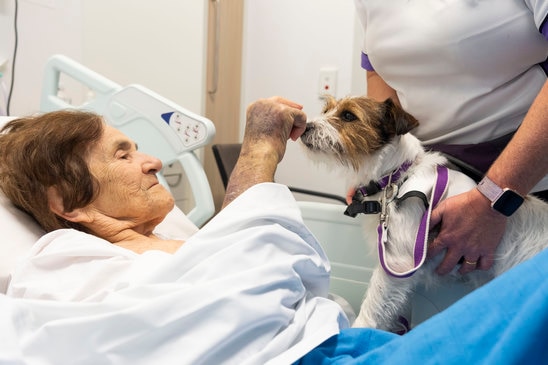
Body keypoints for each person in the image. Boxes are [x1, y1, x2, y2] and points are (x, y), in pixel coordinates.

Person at [0, 97, 546, 363]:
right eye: (123, 153)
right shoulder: (60, 262)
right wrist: (261, 150)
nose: (150, 161)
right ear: (66, 201)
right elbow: (238, 304)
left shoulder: (178, 240)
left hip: (352, 345)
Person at [353, 0, 548, 276]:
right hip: (431, 189)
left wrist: (493, 200)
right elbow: (378, 72)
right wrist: (378, 168)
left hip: (526, 187)